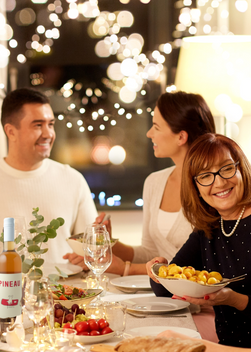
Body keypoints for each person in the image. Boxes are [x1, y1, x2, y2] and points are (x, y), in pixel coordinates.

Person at [64, 91, 216, 277]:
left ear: (180, 137)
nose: (149, 133)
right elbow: (150, 253)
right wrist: (108, 243)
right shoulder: (155, 182)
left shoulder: (213, 186)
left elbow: (205, 266)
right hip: (159, 295)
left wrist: (125, 269)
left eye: (156, 127)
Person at [146, 133, 251, 352]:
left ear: (241, 168)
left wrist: (234, 300)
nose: (219, 182)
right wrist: (158, 270)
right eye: (205, 176)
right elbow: (167, 290)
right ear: (195, 186)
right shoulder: (210, 229)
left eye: (226, 169)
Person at [0, 88, 97, 263]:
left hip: (65, 288)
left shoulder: (74, 180)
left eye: (50, 124)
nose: (48, 134)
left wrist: (87, 259)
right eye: (38, 125)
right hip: (4, 289)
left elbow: (91, 249)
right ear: (11, 132)